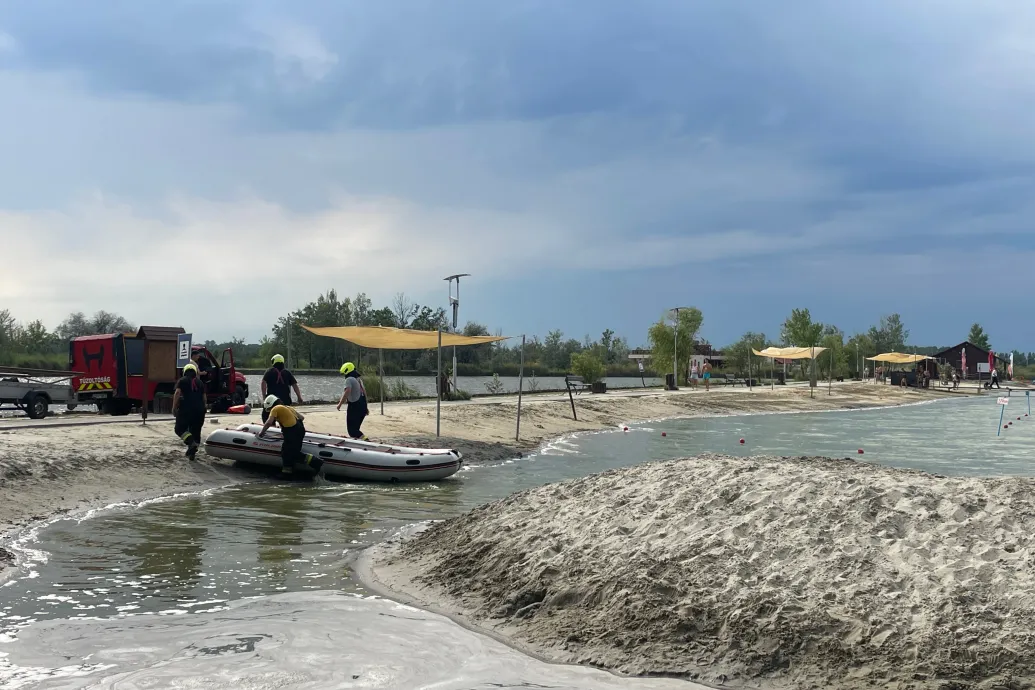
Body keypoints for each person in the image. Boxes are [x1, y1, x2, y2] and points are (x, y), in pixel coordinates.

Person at [257, 395, 323, 477]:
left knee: (290, 453)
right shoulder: (287, 407)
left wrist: (262, 432)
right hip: (300, 430)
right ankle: (287, 472)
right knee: (287, 452)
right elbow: (302, 418)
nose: (269, 411)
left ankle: (315, 461)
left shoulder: (275, 408)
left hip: (292, 432)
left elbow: (268, 423)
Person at [172, 362, 207, 461]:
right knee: (195, 431)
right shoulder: (200, 383)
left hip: (186, 409)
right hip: (200, 411)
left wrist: (174, 407)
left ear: (184, 371)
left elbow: (178, 393)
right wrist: (204, 408)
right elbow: (204, 398)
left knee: (179, 429)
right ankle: (192, 451)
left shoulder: (182, 381)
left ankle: (191, 443)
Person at [261, 354, 303, 422]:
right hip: (285, 400)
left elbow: (263, 383)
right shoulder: (287, 373)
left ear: (273, 361)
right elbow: (295, 385)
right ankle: (286, 429)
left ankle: (270, 427)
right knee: (286, 418)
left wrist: (264, 396)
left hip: (272, 401)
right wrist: (299, 397)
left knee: (266, 416)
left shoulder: (269, 372)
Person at [337, 362, 369, 440]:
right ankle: (360, 442)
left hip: (354, 407)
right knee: (356, 429)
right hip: (362, 406)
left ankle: (366, 441)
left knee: (352, 431)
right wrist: (366, 408)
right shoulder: (358, 380)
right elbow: (364, 393)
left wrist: (340, 404)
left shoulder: (348, 379)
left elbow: (347, 391)